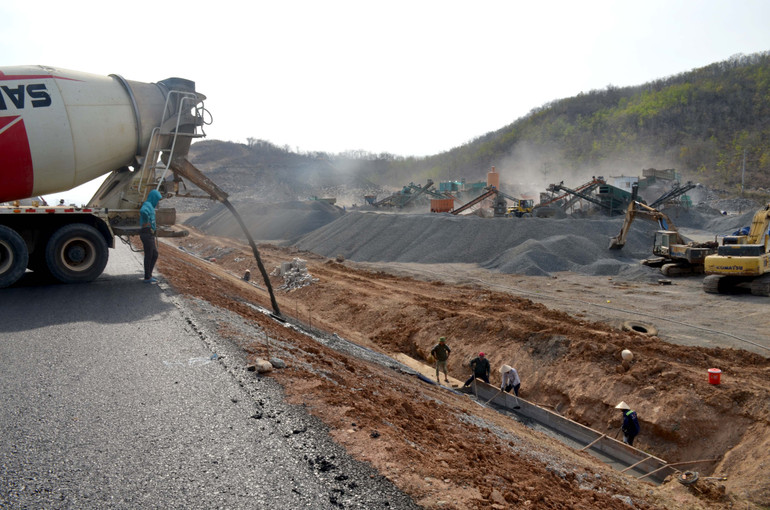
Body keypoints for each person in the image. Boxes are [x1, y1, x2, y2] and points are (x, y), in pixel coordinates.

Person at [139, 189, 162, 283]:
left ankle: (149, 275)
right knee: (149, 255)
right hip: (146, 232)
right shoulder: (147, 205)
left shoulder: (150, 206)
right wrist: (146, 222)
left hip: (149, 233)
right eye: (157, 199)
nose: (157, 202)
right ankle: (147, 277)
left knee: (154, 254)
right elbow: (143, 212)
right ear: (153, 198)